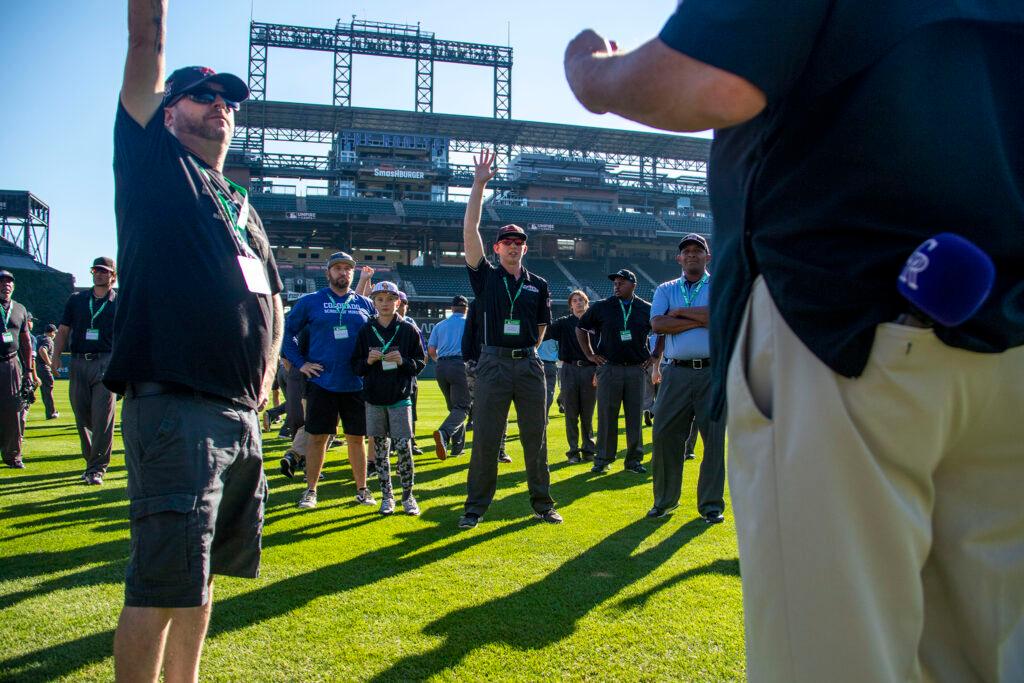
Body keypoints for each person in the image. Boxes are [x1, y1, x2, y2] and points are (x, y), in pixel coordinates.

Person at [565, 5, 1024, 681]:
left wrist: (591, 73)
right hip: (1005, 329)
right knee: (983, 658)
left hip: (840, 323)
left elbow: (712, 79)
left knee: (832, 661)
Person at [110, 3, 284, 678]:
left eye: (228, 100)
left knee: (200, 574)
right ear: (168, 109)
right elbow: (146, 37)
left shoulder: (238, 202)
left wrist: (265, 379)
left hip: (238, 413)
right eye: (202, 96)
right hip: (177, 405)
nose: (220, 106)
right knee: (160, 583)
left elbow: (271, 295)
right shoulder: (155, 163)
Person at [459, 148, 559, 529]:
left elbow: (541, 326)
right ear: (497, 247)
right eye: (507, 242)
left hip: (528, 365)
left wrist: (530, 352)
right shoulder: (486, 276)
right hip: (493, 363)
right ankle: (475, 508)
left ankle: (542, 503)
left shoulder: (539, 284)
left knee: (536, 438)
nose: (514, 246)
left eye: (519, 242)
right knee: (486, 438)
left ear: (525, 248)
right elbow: (469, 232)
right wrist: (478, 185)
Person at [283, 251, 376, 510]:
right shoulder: (310, 301)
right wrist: (301, 363)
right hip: (322, 382)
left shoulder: (364, 304)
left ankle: (362, 489)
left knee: (357, 439)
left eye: (348, 268)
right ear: (328, 273)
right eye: (337, 268)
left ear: (353, 274)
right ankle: (311, 491)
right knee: (317, 438)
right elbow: (287, 333)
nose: (343, 273)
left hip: (355, 384)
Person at [647, 234, 725, 523]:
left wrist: (679, 313)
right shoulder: (666, 288)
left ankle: (711, 505)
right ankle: (665, 501)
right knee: (665, 435)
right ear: (679, 258)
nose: (691, 255)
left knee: (714, 439)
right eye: (686, 252)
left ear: (708, 257)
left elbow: (722, 315)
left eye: (697, 251)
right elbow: (658, 323)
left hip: (712, 371)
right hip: (675, 371)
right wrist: (700, 318)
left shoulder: (719, 284)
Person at [352, 281, 426, 515]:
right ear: (373, 302)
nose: (385, 304)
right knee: (381, 450)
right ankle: (387, 496)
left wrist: (403, 361)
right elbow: (356, 366)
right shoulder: (365, 330)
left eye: (389, 299)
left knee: (404, 448)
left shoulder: (408, 329)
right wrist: (369, 361)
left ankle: (408, 496)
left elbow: (421, 363)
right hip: (374, 398)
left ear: (398, 301)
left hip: (400, 397)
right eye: (380, 299)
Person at [576, 269, 652, 475]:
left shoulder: (646, 308)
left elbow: (661, 331)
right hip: (609, 368)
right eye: (615, 283)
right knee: (607, 415)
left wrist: (655, 356)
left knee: (634, 417)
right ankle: (602, 459)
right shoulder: (602, 306)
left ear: (633, 285)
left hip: (636, 369)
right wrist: (590, 354)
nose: (616, 286)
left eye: (622, 283)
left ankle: (633, 460)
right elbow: (581, 328)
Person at [52, 257, 118, 485]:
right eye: (96, 270)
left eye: (104, 271)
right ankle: (91, 459)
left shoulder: (119, 301)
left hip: (106, 362)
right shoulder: (77, 300)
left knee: (103, 417)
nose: (99, 274)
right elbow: (62, 331)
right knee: (82, 416)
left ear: (113, 276)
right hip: (79, 362)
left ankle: (96, 468)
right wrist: (55, 356)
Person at [546, 290, 597, 464]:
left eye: (581, 300)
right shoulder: (564, 323)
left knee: (588, 413)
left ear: (587, 302)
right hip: (569, 369)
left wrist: (599, 371)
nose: (578, 303)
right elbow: (545, 331)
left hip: (590, 370)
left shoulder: (596, 323)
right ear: (570, 305)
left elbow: (602, 348)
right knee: (571, 413)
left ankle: (589, 449)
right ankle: (573, 451)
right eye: (575, 300)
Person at [463, 298, 511, 464]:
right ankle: (486, 451)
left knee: (499, 410)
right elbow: (469, 332)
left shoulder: (509, 300)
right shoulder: (478, 303)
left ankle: (499, 450)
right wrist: (469, 360)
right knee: (481, 411)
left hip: (503, 363)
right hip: (480, 363)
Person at [428, 294, 470, 459]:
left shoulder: (440, 325)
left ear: (451, 308)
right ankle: (444, 434)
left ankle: (457, 447)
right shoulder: (469, 324)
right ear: (466, 309)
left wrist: (440, 362)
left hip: (441, 366)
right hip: (460, 365)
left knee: (455, 408)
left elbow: (431, 351)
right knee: (463, 407)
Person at [0, 271, 33, 469]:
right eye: (2, 282)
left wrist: (29, 370)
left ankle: (13, 455)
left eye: (9, 282)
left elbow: (26, 341)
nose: (6, 285)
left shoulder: (19, 309)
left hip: (11, 364)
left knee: (14, 410)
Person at [396, 290, 424, 455]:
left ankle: (411, 442)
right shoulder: (380, 323)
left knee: (410, 410)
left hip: (408, 373)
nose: (401, 307)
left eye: (403, 303)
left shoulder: (411, 324)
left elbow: (422, 353)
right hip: (387, 374)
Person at [36, 323, 58, 419]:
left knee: (30, 390)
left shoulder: (38, 338)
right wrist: (50, 364)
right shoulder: (48, 340)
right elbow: (42, 350)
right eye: (55, 333)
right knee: (48, 390)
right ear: (52, 332)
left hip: (35, 367)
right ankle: (51, 413)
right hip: (43, 368)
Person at [537, 337, 559, 415]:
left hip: (537, 364)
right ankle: (544, 415)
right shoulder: (554, 335)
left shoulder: (538, 333)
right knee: (549, 392)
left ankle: (541, 415)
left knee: (537, 392)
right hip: (550, 365)